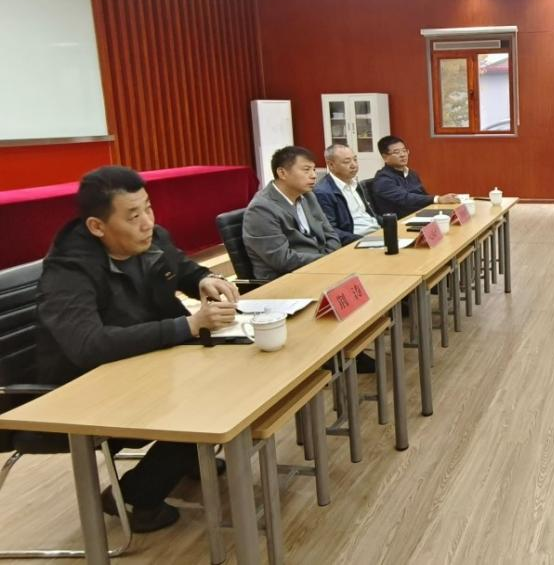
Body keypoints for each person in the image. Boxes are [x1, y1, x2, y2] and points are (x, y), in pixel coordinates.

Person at [36, 165, 239, 532]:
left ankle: (187, 454)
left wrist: (204, 279)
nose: (148, 223)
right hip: (85, 384)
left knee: (232, 373)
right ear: (97, 226)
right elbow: (88, 346)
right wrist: (187, 325)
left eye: (148, 208)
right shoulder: (69, 270)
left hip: (147, 360)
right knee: (204, 394)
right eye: (133, 216)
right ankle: (134, 496)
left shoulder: (152, 238)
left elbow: (181, 267)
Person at [243, 146, 340, 281]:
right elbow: (282, 260)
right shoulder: (261, 209)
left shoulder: (308, 196)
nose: (313, 175)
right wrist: (327, 260)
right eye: (306, 170)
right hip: (285, 279)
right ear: (282, 173)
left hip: (319, 267)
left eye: (313, 169)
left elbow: (330, 234)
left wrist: (330, 259)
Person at [371, 135, 458, 217]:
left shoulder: (411, 173)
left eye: (404, 151)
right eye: (397, 152)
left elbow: (423, 196)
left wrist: (440, 201)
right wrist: (437, 199)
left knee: (454, 214)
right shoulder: (383, 179)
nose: (403, 155)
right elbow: (405, 198)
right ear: (385, 157)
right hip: (401, 221)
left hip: (419, 214)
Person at [314, 143, 380, 245]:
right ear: (331, 165)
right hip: (356, 240)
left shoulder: (355, 184)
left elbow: (368, 215)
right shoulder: (323, 192)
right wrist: (363, 240)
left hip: (376, 232)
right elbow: (331, 230)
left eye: (355, 160)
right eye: (347, 162)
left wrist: (392, 223)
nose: (353, 165)